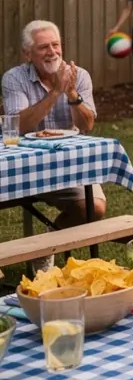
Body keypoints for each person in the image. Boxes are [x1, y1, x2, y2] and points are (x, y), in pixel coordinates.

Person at [2, 20, 104, 228]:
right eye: (43, 47)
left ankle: (51, 240)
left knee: (94, 207)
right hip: (23, 167)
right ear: (27, 54)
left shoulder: (79, 75)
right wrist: (55, 91)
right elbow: (18, 126)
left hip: (67, 163)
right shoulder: (14, 78)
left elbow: (87, 125)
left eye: (55, 45)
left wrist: (71, 92)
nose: (52, 52)